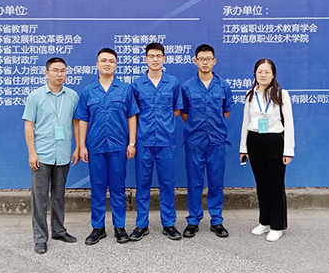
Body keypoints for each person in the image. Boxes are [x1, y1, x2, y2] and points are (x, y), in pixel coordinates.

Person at [74, 48, 139, 245]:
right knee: (97, 187)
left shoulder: (125, 89)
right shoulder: (88, 91)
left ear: (116, 65)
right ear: (97, 64)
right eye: (103, 60)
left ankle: (119, 227)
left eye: (111, 61)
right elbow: (83, 119)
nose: (107, 64)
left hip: (118, 146)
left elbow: (132, 116)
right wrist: (82, 145)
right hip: (95, 147)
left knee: (118, 187)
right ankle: (98, 228)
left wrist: (132, 143)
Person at [22, 57, 80, 254]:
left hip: (63, 153)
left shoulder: (72, 96)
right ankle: (40, 238)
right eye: (55, 70)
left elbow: (76, 122)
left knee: (59, 195)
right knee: (39, 198)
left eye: (63, 70)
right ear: (46, 73)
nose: (59, 74)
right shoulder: (35, 96)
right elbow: (28, 125)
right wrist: (32, 152)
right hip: (42, 154)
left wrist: (78, 146)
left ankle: (59, 230)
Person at [129, 42, 183, 242]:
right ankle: (141, 224)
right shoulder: (137, 85)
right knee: (142, 184)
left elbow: (176, 109)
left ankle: (168, 223)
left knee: (167, 184)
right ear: (146, 59)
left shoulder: (173, 82)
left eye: (158, 56)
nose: (155, 59)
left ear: (164, 59)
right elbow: (133, 113)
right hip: (144, 141)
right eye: (151, 56)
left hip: (166, 142)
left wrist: (164, 124)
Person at [180, 44, 234, 238]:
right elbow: (184, 113)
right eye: (201, 59)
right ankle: (193, 220)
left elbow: (226, 111)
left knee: (216, 182)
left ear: (214, 61)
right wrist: (197, 126)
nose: (205, 62)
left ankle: (216, 220)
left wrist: (214, 126)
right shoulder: (187, 87)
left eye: (208, 59)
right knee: (194, 182)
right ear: (195, 61)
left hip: (216, 141)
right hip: (194, 142)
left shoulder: (223, 85)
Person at [239, 58, 294, 242]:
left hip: (274, 141)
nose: (263, 75)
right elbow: (246, 122)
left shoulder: (281, 94)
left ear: (273, 74)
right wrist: (243, 148)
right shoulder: (250, 95)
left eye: (267, 72)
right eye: (259, 71)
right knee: (261, 184)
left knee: (275, 185)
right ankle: (264, 222)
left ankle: (277, 225)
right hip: (255, 141)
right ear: (255, 74)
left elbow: (289, 123)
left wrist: (288, 150)